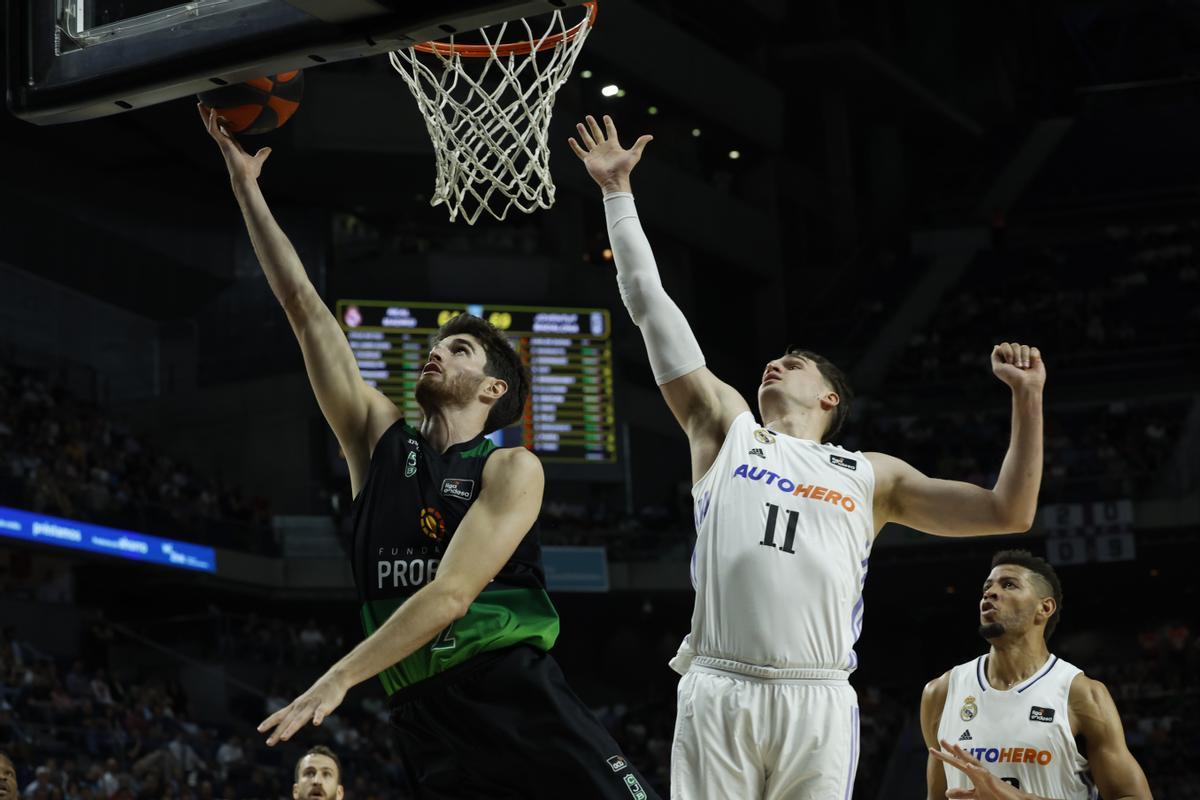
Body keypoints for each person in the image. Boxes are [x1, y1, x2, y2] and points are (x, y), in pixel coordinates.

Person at [570, 114, 1046, 800]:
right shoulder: (724, 428)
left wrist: (1027, 401)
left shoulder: (871, 475)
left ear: (830, 400)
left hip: (818, 695)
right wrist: (618, 193)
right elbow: (649, 304)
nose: (773, 363)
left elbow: (1010, 510)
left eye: (792, 364)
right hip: (720, 686)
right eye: (771, 358)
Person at [200, 105, 657, 800]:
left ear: (494, 388)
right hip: (420, 714)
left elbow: (450, 595)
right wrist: (245, 188)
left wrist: (339, 676)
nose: (437, 350)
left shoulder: (511, 467)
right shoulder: (376, 441)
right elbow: (301, 304)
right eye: (438, 343)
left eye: (460, 348)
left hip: (509, 692)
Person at [921, 550, 1152, 800]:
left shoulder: (1081, 693)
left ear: (1044, 607)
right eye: (987, 587)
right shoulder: (941, 692)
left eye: (1009, 585)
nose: (990, 593)